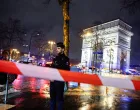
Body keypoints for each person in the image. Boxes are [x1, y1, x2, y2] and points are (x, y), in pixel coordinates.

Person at [50, 42, 70, 110]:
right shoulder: (55, 58)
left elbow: (67, 71)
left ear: (63, 49)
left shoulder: (66, 59)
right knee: (52, 99)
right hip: (52, 81)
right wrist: (50, 77)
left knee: (59, 100)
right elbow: (52, 68)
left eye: (59, 48)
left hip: (60, 82)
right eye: (57, 48)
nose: (57, 49)